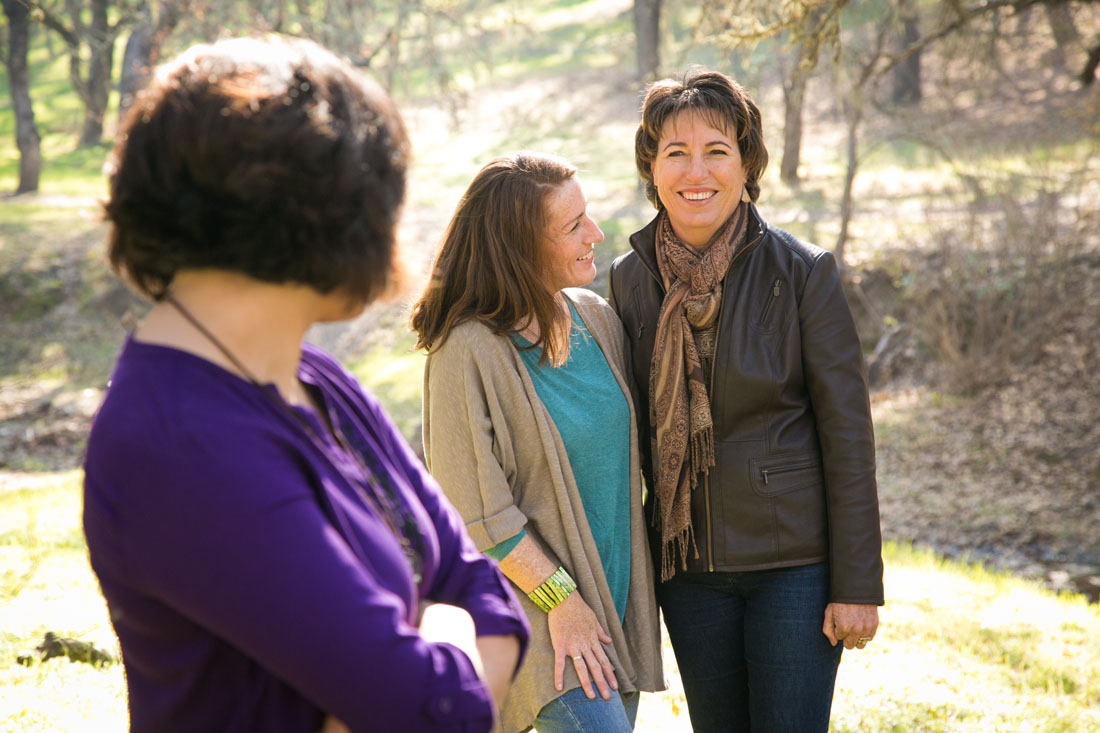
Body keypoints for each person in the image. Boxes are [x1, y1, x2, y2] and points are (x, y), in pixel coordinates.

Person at [82, 36, 529, 733]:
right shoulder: (177, 441)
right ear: (323, 213)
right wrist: (448, 631)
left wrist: (437, 642)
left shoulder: (315, 376)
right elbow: (432, 712)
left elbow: (484, 588)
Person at [608, 68, 885, 732]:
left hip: (793, 566)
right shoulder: (628, 281)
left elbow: (848, 434)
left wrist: (856, 584)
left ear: (746, 164)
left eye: (716, 151)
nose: (694, 171)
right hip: (688, 569)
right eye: (675, 152)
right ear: (652, 168)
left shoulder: (802, 272)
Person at [410, 152, 665, 733]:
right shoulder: (465, 349)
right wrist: (562, 604)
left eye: (588, 217)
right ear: (521, 248)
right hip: (542, 620)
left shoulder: (596, 319)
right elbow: (475, 513)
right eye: (573, 226)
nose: (595, 234)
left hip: (614, 609)